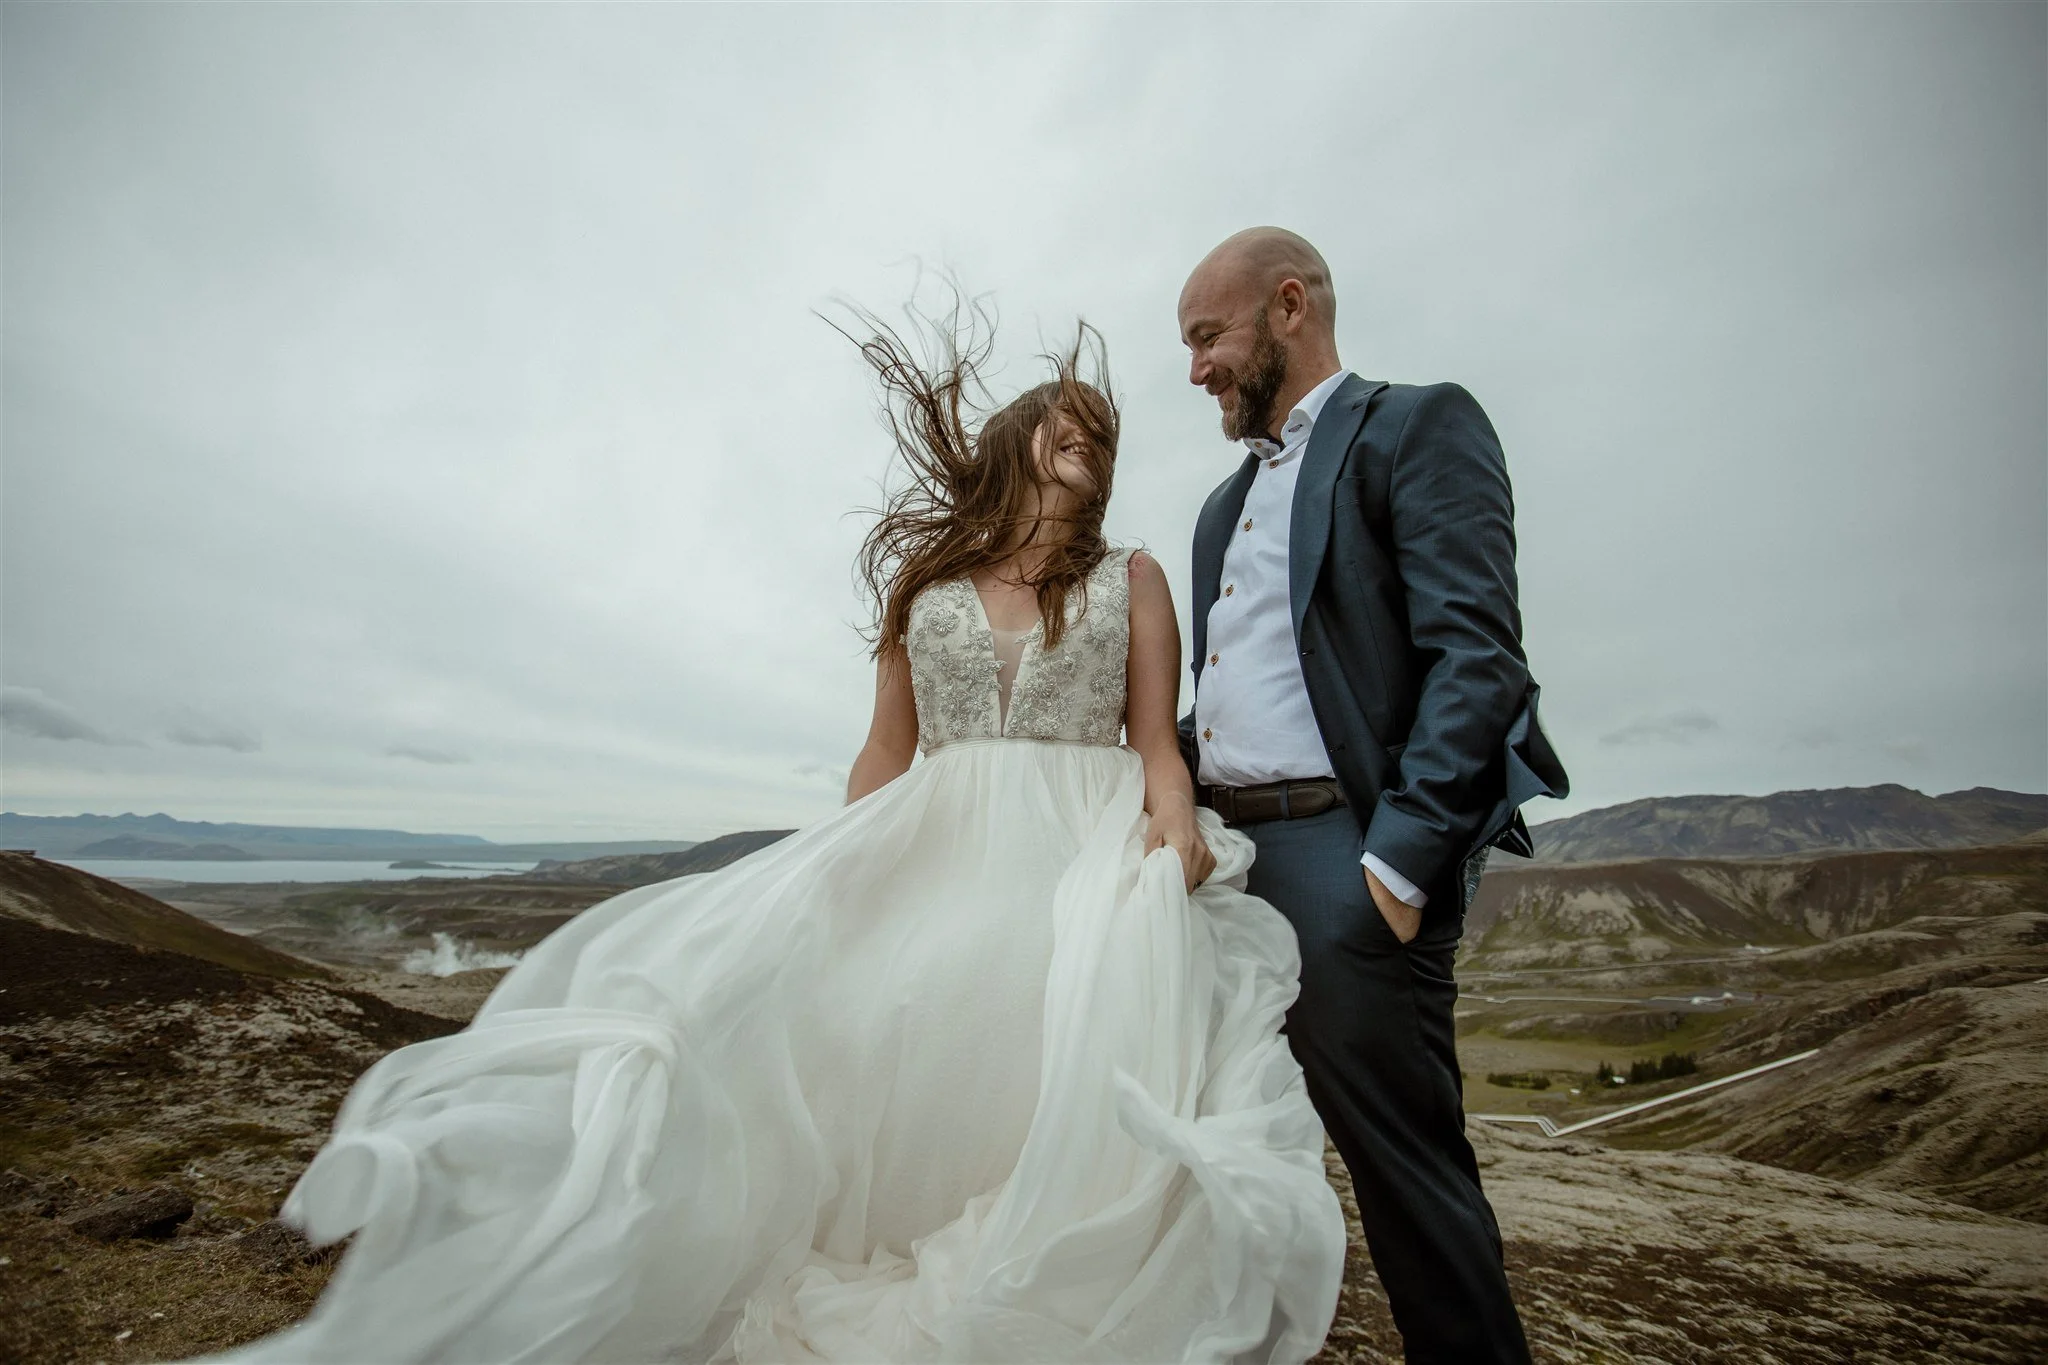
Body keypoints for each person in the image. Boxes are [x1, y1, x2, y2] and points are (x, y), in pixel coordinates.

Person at [191, 301, 1346, 1365]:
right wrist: (842, 867)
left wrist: (1171, 825)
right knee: (895, 1026)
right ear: (1015, 437)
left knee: (1050, 1046)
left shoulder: (1134, 576)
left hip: (1079, 846)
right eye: (1064, 424)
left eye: (1098, 433)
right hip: (938, 839)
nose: (1085, 443)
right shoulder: (923, 583)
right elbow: (884, 750)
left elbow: (1156, 736)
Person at [1176, 227, 1570, 1365]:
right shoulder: (1216, 510)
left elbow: (1478, 658)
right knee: (1215, 1158)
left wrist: (1391, 870)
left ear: (1287, 306)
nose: (1193, 368)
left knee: (1407, 1184)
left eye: (1207, 336)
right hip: (1220, 871)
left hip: (1340, 866)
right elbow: (1231, 696)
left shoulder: (1414, 425)